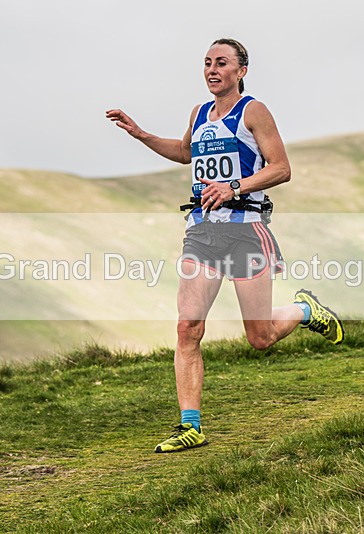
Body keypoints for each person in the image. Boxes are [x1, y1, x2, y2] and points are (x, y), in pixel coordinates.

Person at [106, 38, 344, 453]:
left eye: (222, 63)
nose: (212, 70)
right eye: (207, 63)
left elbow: (281, 169)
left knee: (260, 337)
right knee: (188, 327)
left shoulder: (253, 111)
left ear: (241, 71)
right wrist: (140, 133)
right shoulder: (199, 113)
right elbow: (184, 152)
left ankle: (306, 310)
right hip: (202, 231)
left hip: (246, 230)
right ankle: (190, 425)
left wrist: (234, 186)